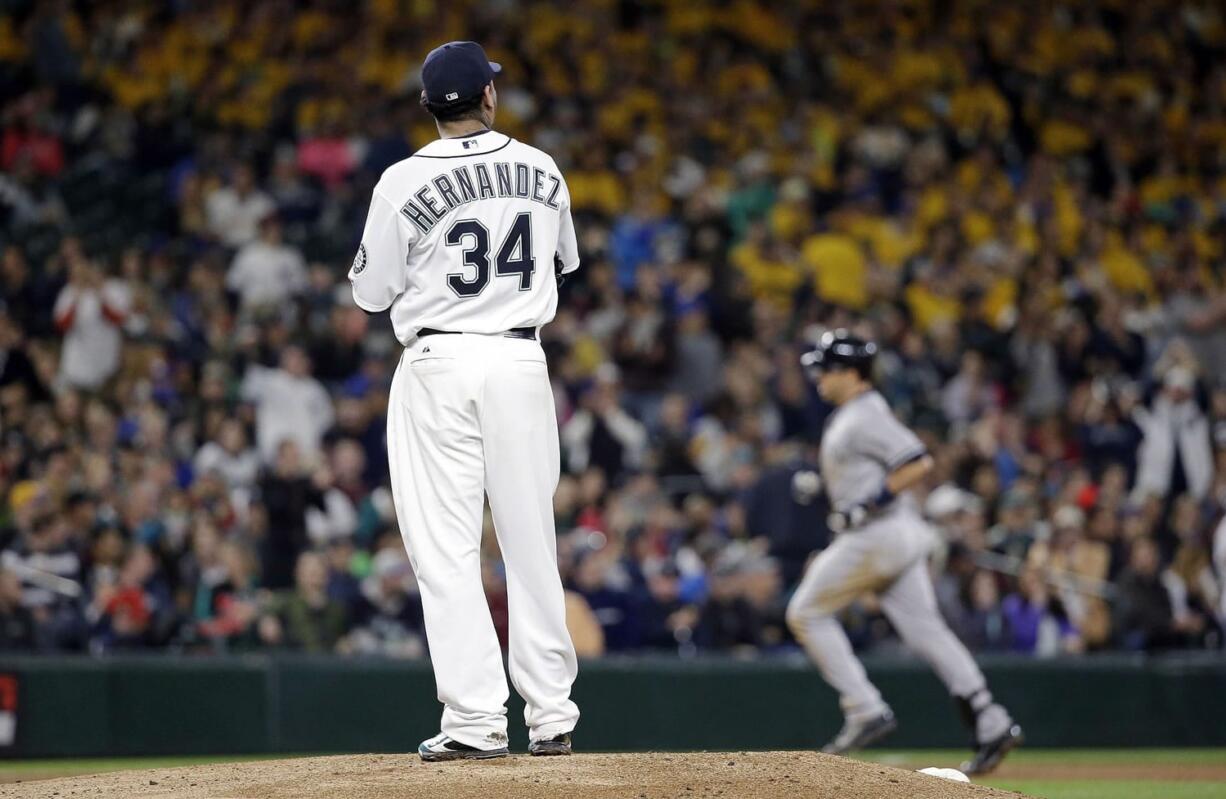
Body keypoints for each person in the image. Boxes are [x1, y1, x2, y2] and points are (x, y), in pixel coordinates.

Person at [350, 41, 580, 762]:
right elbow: (563, 262)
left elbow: (369, 291)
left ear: (428, 107)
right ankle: (552, 714)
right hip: (518, 357)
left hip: (440, 359)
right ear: (489, 96)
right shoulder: (541, 167)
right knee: (530, 539)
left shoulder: (400, 179)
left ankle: (477, 720)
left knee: (445, 547)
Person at [786, 330, 1023, 775]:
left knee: (805, 613)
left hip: (879, 534)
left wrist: (869, 499)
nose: (819, 374)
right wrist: (830, 489)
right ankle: (990, 719)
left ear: (852, 373)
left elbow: (917, 460)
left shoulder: (863, 413)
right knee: (926, 631)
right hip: (892, 534)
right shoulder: (852, 415)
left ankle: (863, 707)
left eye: (828, 366)